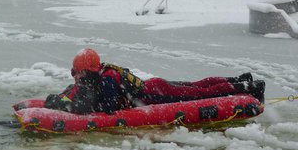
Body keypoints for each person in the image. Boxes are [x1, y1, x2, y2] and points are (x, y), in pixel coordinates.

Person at [44, 48, 265, 115]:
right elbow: (74, 90)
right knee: (196, 85)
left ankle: (246, 87)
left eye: (80, 73)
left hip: (156, 93)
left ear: (89, 71)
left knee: (199, 93)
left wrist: (70, 107)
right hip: (154, 85)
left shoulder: (107, 80)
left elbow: (106, 108)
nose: (77, 78)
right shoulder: (101, 74)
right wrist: (63, 98)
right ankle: (238, 81)